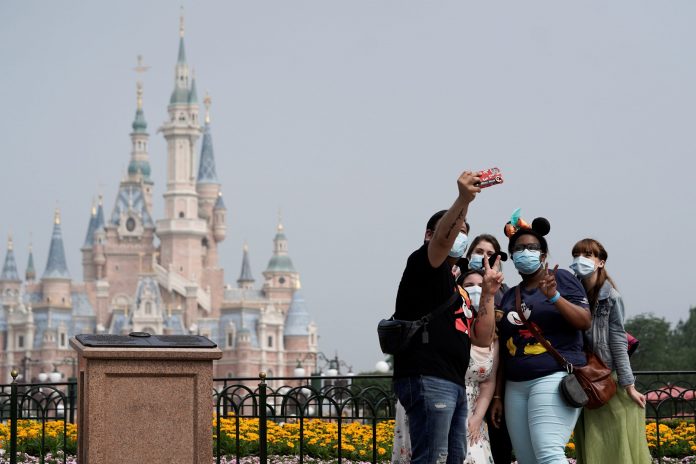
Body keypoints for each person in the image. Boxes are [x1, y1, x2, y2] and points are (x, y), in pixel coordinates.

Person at [392, 171, 503, 464]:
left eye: (464, 232)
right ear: (430, 235)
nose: (458, 236)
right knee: (432, 458)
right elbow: (442, 240)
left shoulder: (458, 288)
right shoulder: (423, 265)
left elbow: (481, 339)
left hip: (452, 382)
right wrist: (463, 200)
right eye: (456, 229)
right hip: (428, 376)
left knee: (453, 458)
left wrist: (488, 293)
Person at [497, 211, 591, 464]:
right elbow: (502, 349)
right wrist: (496, 395)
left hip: (552, 377)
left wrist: (554, 297)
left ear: (543, 255)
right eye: (518, 249)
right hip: (515, 385)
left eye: (531, 247)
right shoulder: (510, 295)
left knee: (549, 453)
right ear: (512, 257)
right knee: (527, 458)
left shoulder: (561, 279)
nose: (525, 252)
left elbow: (584, 321)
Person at [391, 269, 499, 464]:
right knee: (431, 455)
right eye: (469, 286)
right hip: (434, 392)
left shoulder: (488, 334)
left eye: (481, 285)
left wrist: (477, 417)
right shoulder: (443, 320)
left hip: (468, 408)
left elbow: (488, 377)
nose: (476, 290)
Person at [570, 238, 652, 464]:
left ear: (601, 262)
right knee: (591, 442)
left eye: (587, 255)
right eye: (576, 255)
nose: (580, 260)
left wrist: (629, 385)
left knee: (613, 442)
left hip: (604, 377)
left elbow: (618, 341)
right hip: (579, 379)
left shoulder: (610, 298)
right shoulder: (570, 292)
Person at [462, 234, 513, 464]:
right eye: (479, 252)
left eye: (490, 254)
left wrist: (497, 396)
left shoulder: (507, 296)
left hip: (493, 383)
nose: (485, 257)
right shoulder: (453, 294)